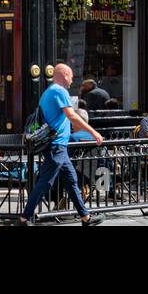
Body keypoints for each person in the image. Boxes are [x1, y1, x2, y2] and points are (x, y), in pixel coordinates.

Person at [19, 62, 105, 226]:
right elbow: (71, 115)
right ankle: (24, 218)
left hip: (60, 147)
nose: (73, 79)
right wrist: (93, 132)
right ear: (65, 75)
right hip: (56, 146)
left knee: (72, 181)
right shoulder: (59, 91)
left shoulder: (49, 91)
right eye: (71, 76)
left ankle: (85, 218)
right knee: (45, 183)